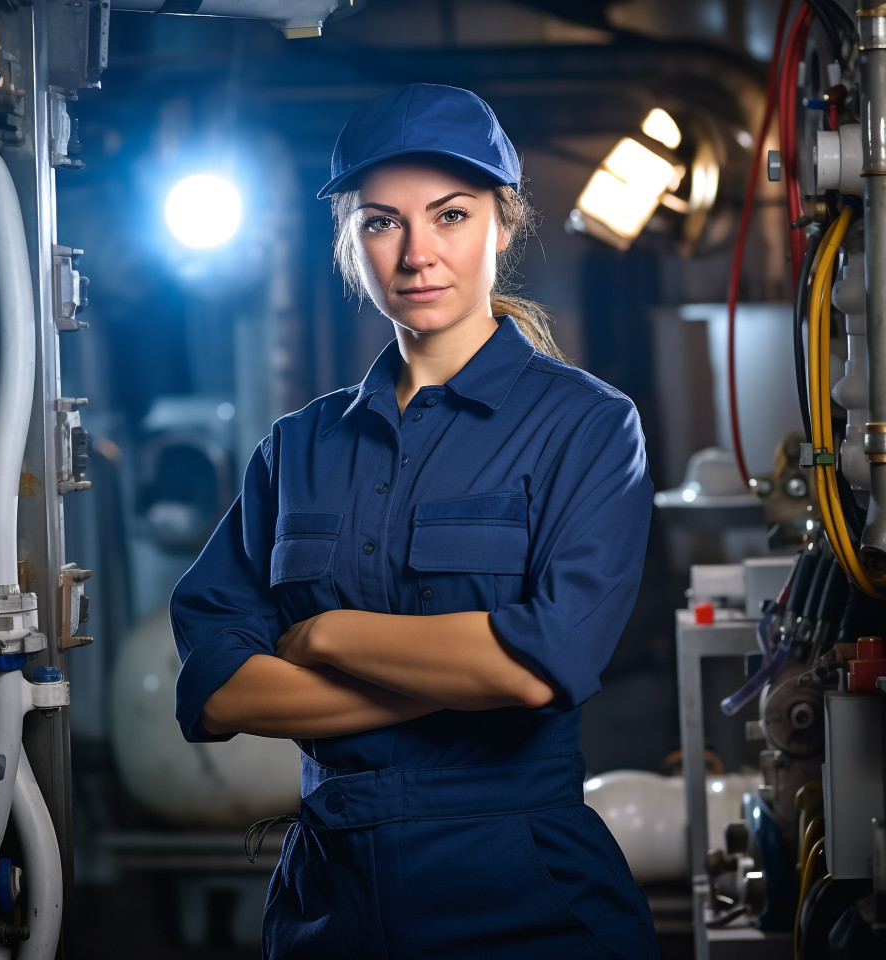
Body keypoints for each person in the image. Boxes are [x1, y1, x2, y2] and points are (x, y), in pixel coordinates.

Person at [170, 82, 659, 959]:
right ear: (350, 242)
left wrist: (324, 635)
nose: (417, 254)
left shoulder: (586, 426)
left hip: (526, 889)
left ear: (503, 225)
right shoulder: (297, 448)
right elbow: (217, 689)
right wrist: (457, 676)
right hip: (333, 905)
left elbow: (539, 668)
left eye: (452, 215)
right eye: (382, 222)